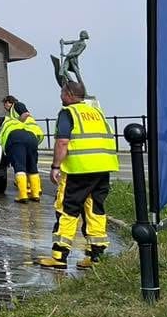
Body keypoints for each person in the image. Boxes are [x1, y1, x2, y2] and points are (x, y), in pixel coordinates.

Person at [40, 80, 115, 270]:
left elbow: (62, 142)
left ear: (70, 94)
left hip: (79, 170)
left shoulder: (68, 113)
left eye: (62, 93)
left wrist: (55, 166)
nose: (60, 96)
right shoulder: (96, 112)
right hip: (102, 168)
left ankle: (59, 256)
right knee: (95, 209)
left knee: (67, 209)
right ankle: (95, 256)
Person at [0, 99, 44, 203]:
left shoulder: (17, 105)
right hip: (32, 136)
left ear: (9, 102)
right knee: (32, 164)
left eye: (5, 104)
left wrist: (18, 123)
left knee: (20, 166)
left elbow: (25, 114)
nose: (5, 107)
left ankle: (22, 195)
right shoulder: (14, 111)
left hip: (24, 134)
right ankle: (35, 192)